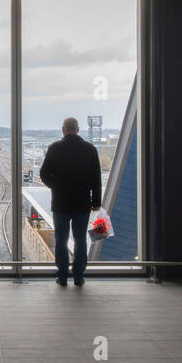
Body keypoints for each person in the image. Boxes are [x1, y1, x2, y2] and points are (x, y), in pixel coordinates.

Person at [38, 116, 102, 287]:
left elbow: (44, 174)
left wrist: (56, 186)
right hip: (82, 203)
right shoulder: (90, 149)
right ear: (78, 129)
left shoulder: (55, 148)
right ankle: (79, 277)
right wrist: (96, 201)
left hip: (60, 203)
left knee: (61, 239)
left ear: (63, 129)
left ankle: (62, 276)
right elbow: (96, 179)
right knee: (80, 239)